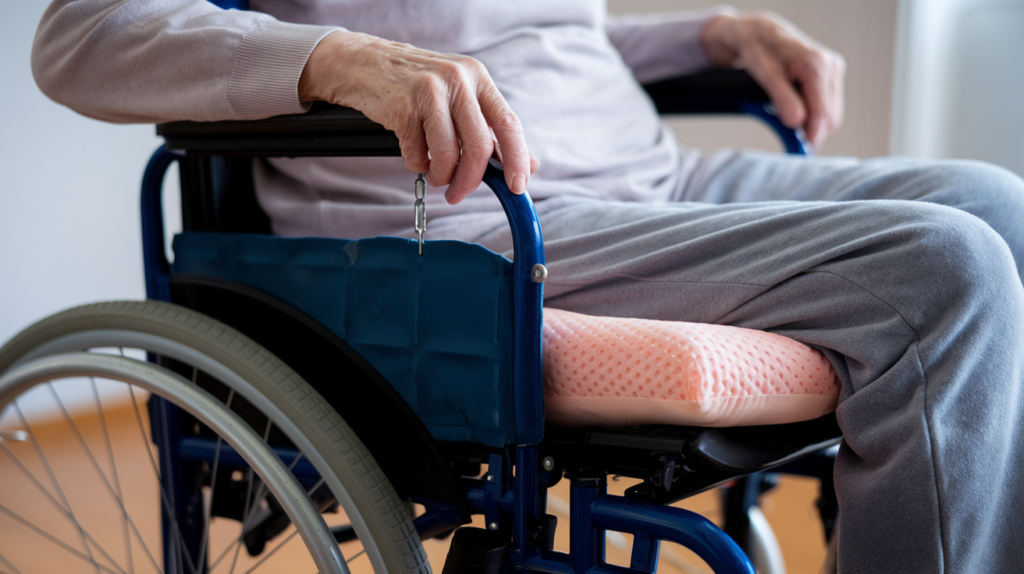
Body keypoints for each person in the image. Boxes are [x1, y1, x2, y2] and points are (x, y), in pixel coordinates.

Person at [31, 1, 1024, 572]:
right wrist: (338, 60)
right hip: (463, 208)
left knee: (1001, 206)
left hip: (654, 177)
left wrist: (710, 36)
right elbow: (79, 35)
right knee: (946, 269)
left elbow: (537, 46)